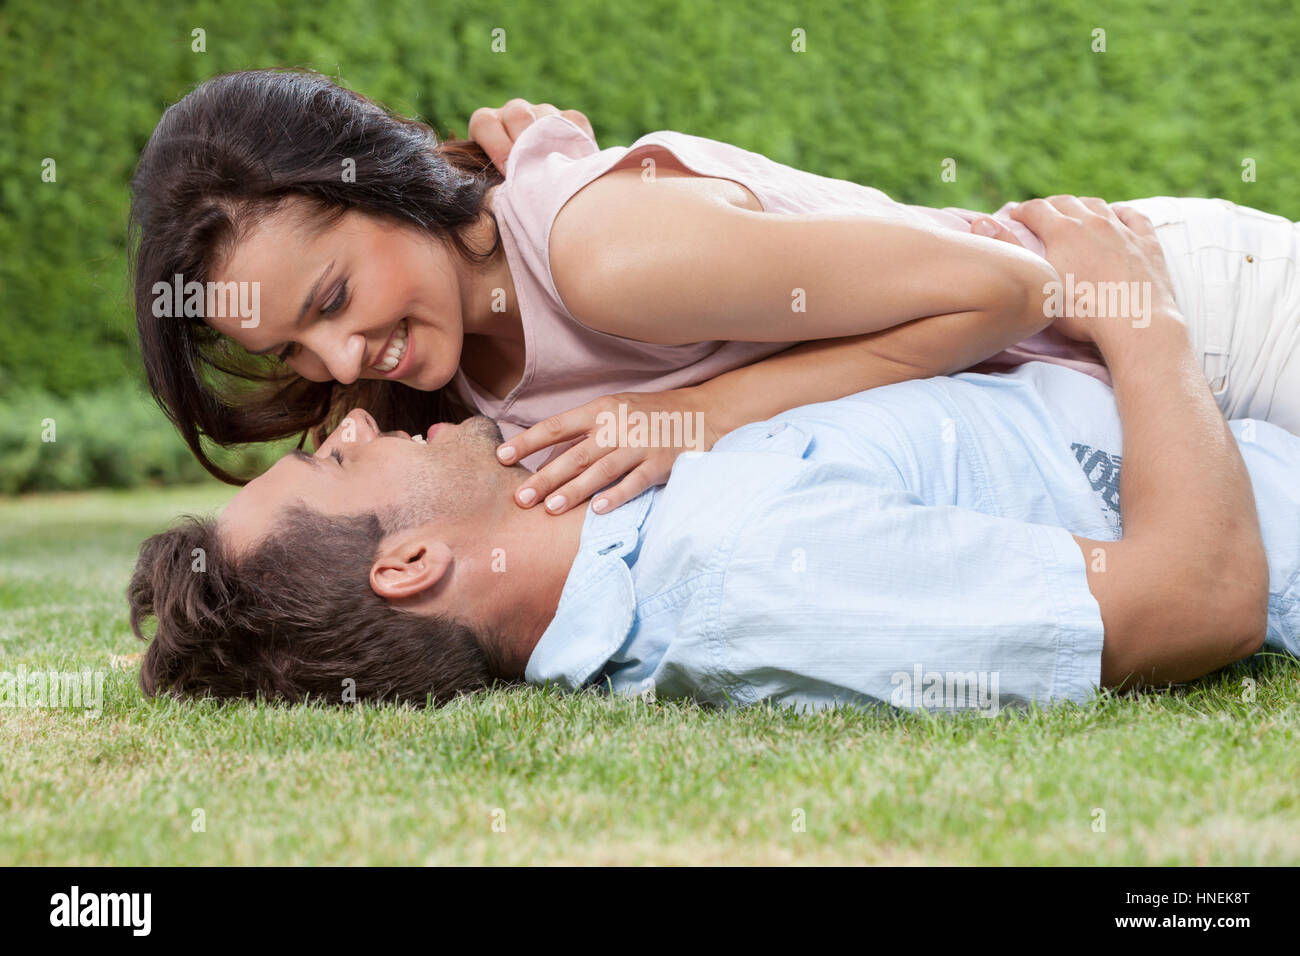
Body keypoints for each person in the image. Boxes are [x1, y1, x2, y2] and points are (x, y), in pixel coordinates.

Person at [127, 198, 1299, 713]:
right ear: (411, 561)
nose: (355, 413)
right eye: (338, 465)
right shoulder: (746, 570)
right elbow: (1198, 600)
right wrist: (1141, 320)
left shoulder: (634, 511)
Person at [129, 69, 1300, 521]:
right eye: (296, 347)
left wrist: (696, 417)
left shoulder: (604, 258)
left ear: (384, 180)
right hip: (1121, 423)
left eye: (333, 294)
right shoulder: (461, 385)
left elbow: (1004, 291)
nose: (343, 362)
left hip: (1183, 316)